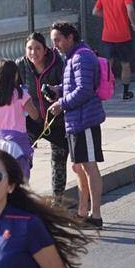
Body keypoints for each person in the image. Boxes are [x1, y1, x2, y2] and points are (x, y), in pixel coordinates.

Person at [48, 21, 106, 228]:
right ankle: (83, 212)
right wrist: (58, 89)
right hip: (76, 121)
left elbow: (84, 90)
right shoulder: (74, 57)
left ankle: (96, 215)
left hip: (85, 120)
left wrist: (61, 103)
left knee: (89, 167)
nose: (55, 45)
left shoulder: (82, 56)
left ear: (70, 37)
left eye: (58, 40)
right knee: (79, 167)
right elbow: (75, 84)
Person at [18, 33, 68, 201]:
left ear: (45, 50)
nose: (33, 53)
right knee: (21, 157)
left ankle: (57, 201)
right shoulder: (21, 65)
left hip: (56, 119)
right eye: (30, 49)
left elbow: (67, 87)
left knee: (58, 160)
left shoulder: (57, 64)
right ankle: (21, 196)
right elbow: (11, 89)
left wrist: (59, 100)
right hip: (32, 119)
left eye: (38, 48)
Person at [0, 58, 41, 180]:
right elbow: (34, 115)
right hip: (17, 141)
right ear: (14, 75)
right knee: (21, 178)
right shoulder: (20, 94)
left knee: (0, 177)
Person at [92, 0, 135, 101]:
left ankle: (104, 90)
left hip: (107, 36)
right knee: (125, 64)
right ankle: (125, 92)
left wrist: (106, 16)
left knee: (107, 64)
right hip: (123, 36)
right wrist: (133, 23)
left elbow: (95, 12)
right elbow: (130, 9)